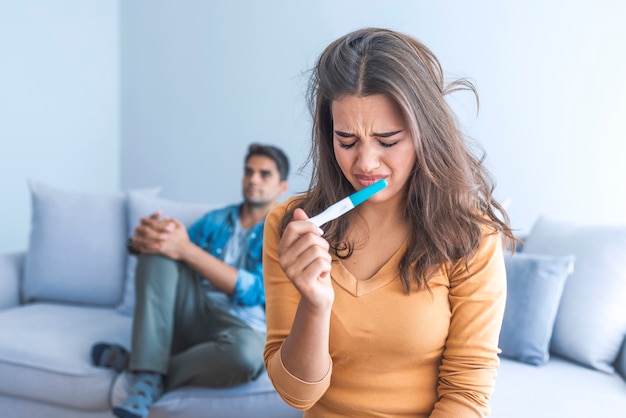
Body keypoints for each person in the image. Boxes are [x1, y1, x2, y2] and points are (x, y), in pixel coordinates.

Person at [262, 28, 517, 417]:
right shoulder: (290, 225)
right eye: (346, 140)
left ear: (423, 133)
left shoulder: (470, 236)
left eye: (387, 140)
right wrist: (314, 305)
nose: (365, 163)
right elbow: (296, 395)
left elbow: (466, 394)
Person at [92, 143, 290, 418]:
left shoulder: (286, 231)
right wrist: (141, 241)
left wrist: (185, 249)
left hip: (242, 329)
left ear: (282, 187)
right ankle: (148, 371)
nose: (253, 179)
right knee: (162, 247)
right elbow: (171, 255)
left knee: (247, 357)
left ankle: (141, 369)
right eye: (249, 172)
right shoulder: (216, 219)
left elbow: (257, 291)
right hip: (194, 311)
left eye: (264, 174)